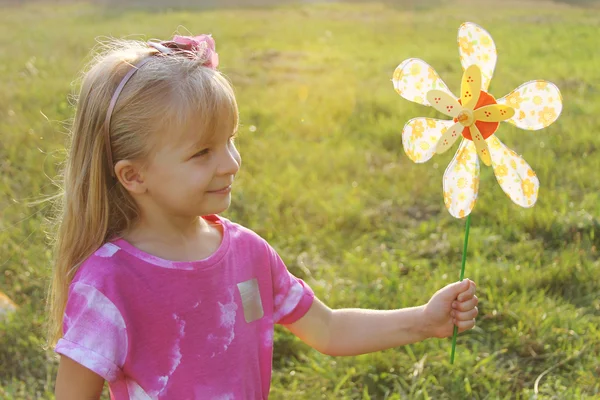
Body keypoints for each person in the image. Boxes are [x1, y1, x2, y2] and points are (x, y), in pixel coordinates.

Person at [48, 33, 479, 400]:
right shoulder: (110, 284)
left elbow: (327, 329)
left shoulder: (248, 253)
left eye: (230, 141)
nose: (231, 163)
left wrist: (423, 319)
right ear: (134, 175)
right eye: (202, 152)